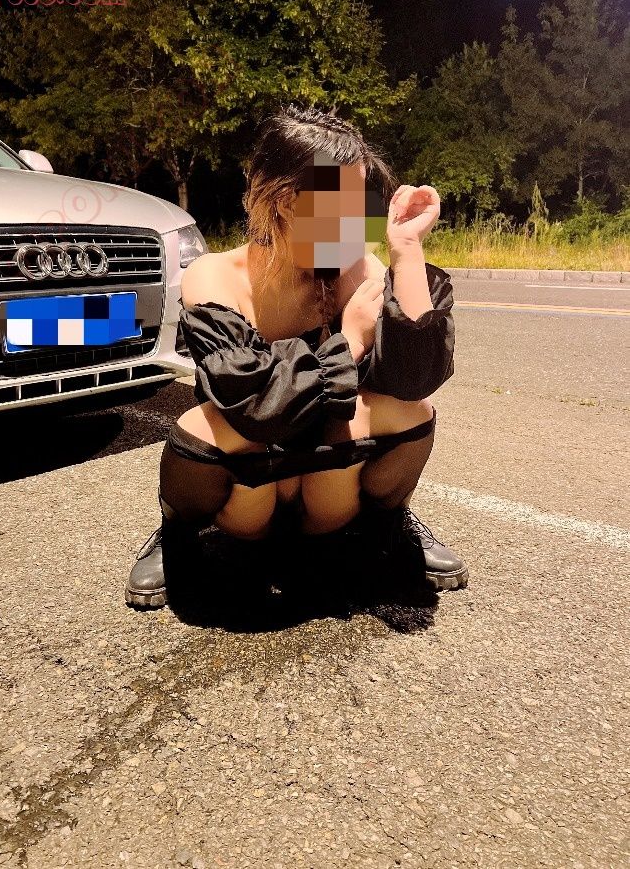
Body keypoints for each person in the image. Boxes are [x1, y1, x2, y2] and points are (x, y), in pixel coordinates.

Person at [124, 103, 468, 609]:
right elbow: (251, 404)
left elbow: (415, 376)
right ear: (287, 203)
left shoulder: (350, 266)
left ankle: (390, 521)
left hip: (326, 486)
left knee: (413, 411)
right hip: (253, 487)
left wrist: (406, 249)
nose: (363, 220)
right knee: (200, 427)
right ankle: (177, 533)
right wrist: (349, 343)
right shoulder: (216, 276)